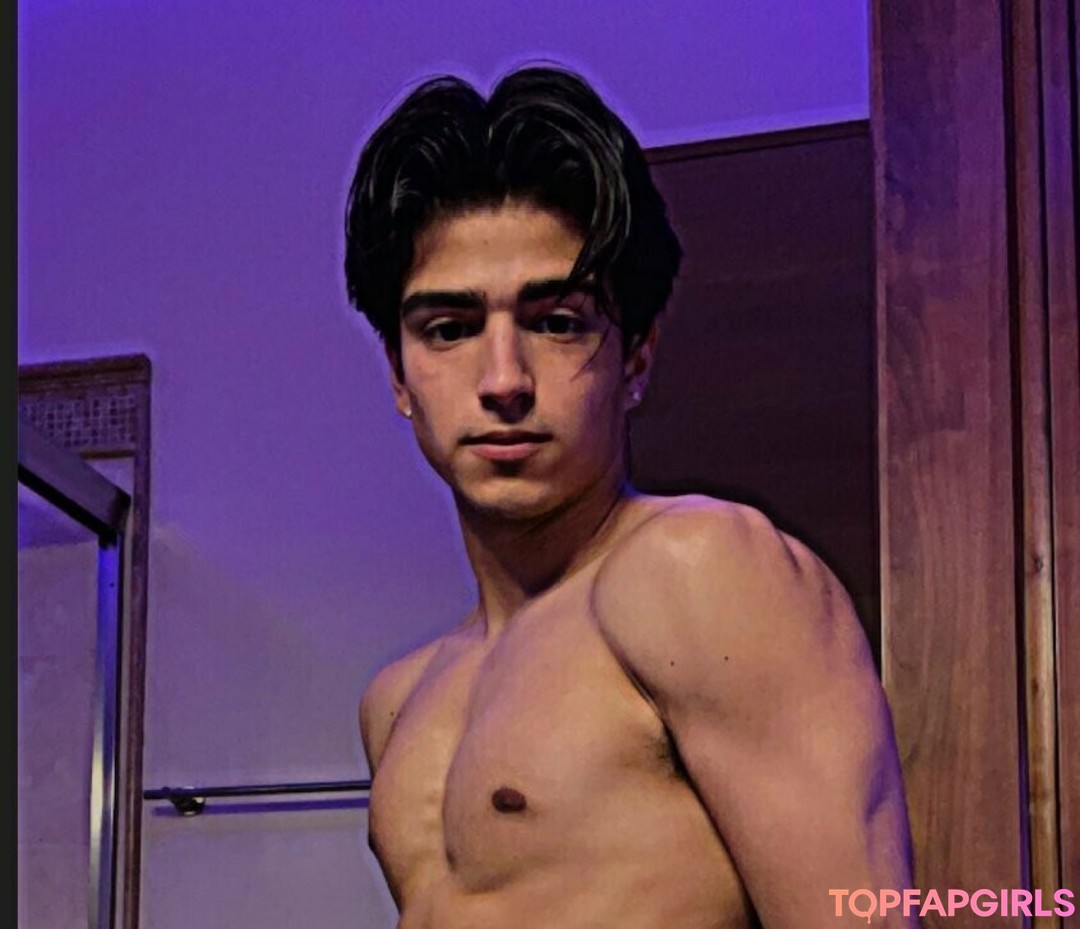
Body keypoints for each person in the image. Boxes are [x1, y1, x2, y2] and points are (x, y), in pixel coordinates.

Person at [344, 65, 915, 929]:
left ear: (636, 357)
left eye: (557, 322)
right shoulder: (398, 700)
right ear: (399, 374)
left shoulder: (699, 570)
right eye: (450, 329)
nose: (503, 380)